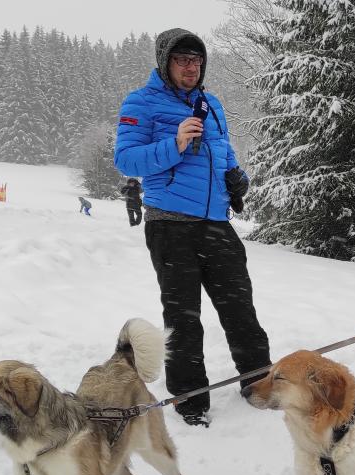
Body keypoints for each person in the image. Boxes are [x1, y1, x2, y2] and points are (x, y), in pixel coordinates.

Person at [114, 28, 269, 427]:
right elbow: (127, 161)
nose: (190, 67)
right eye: (182, 60)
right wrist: (176, 144)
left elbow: (223, 149)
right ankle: (191, 399)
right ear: (165, 62)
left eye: (197, 61)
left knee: (240, 308)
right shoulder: (141, 103)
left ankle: (259, 383)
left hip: (216, 223)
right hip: (171, 225)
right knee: (183, 317)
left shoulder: (210, 102)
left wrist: (236, 175)